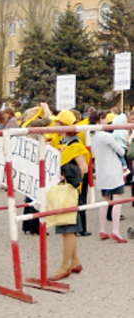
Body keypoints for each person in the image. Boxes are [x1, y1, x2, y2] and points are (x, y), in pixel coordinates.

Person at [48, 110, 89, 281]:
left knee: (67, 229)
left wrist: (67, 175)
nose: (55, 125)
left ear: (64, 126)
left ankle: (65, 266)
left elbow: (84, 168)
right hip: (65, 190)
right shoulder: (63, 143)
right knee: (67, 228)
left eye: (58, 123)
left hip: (70, 190)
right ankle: (75, 262)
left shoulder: (75, 145)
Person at [90, 110, 127, 243]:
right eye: (104, 119)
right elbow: (121, 151)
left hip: (101, 171)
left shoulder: (92, 135)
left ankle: (102, 229)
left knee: (104, 200)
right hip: (113, 170)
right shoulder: (106, 136)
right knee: (117, 200)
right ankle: (115, 230)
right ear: (99, 120)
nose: (107, 121)